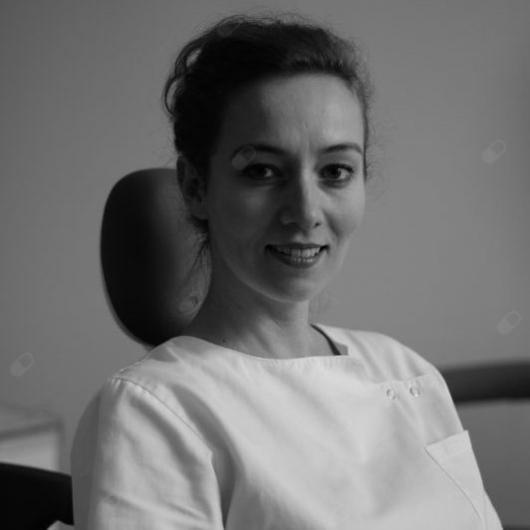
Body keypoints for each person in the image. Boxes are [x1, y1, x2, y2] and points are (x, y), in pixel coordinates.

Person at [71, 12, 503, 529]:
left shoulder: (404, 369)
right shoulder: (154, 411)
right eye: (262, 171)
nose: (305, 211)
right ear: (195, 187)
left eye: (335, 171)